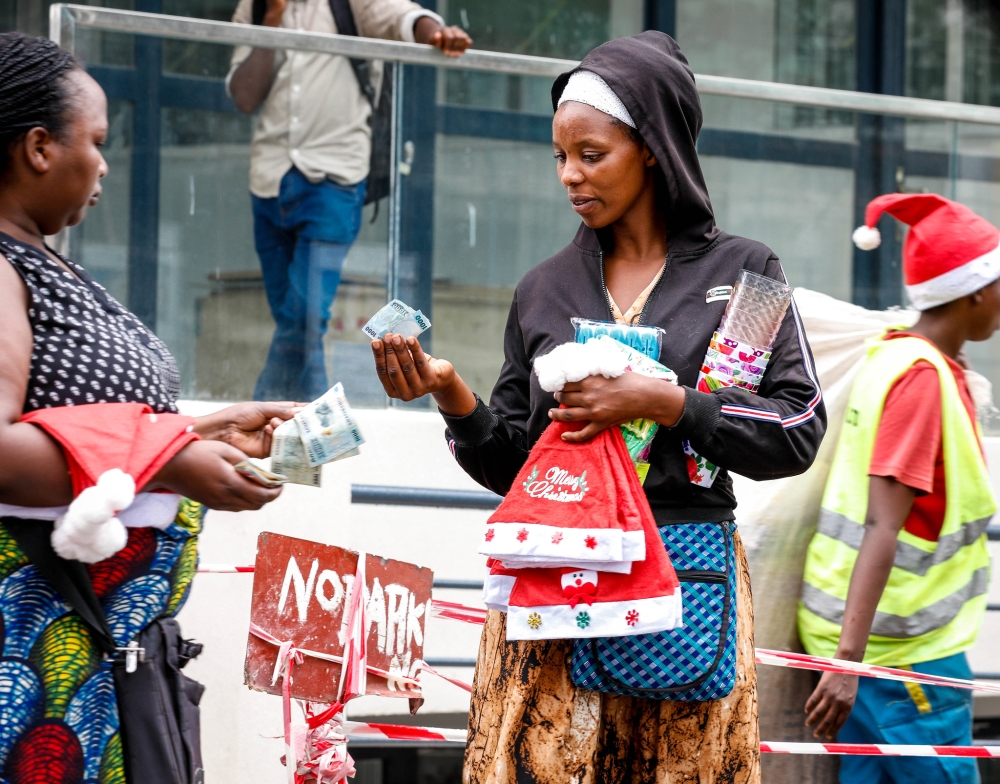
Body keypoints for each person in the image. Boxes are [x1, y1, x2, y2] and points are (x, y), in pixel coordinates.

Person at [371, 32, 825, 783]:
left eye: (591, 153)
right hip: (553, 599)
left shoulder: (745, 272)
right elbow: (513, 467)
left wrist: (669, 401)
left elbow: (798, 427)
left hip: (686, 587)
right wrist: (451, 396)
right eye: (559, 157)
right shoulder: (544, 288)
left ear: (651, 146)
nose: (569, 176)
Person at [0, 33, 293, 780]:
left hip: (95, 658)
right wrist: (171, 460)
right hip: (36, 663)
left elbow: (76, 426)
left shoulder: (38, 259)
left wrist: (198, 431)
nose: (103, 163)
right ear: (37, 147)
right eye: (95, 142)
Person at [799, 193, 1000, 784]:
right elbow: (883, 525)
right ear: (976, 292)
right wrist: (848, 665)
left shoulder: (897, 352)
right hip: (897, 654)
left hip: (864, 641)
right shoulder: (920, 380)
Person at [227, 0, 471, 402]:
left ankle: (265, 420)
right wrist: (270, 18)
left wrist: (436, 33)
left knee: (304, 321)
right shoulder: (253, 7)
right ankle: (313, 445)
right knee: (297, 329)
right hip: (269, 181)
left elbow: (400, 16)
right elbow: (245, 96)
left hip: (334, 182)